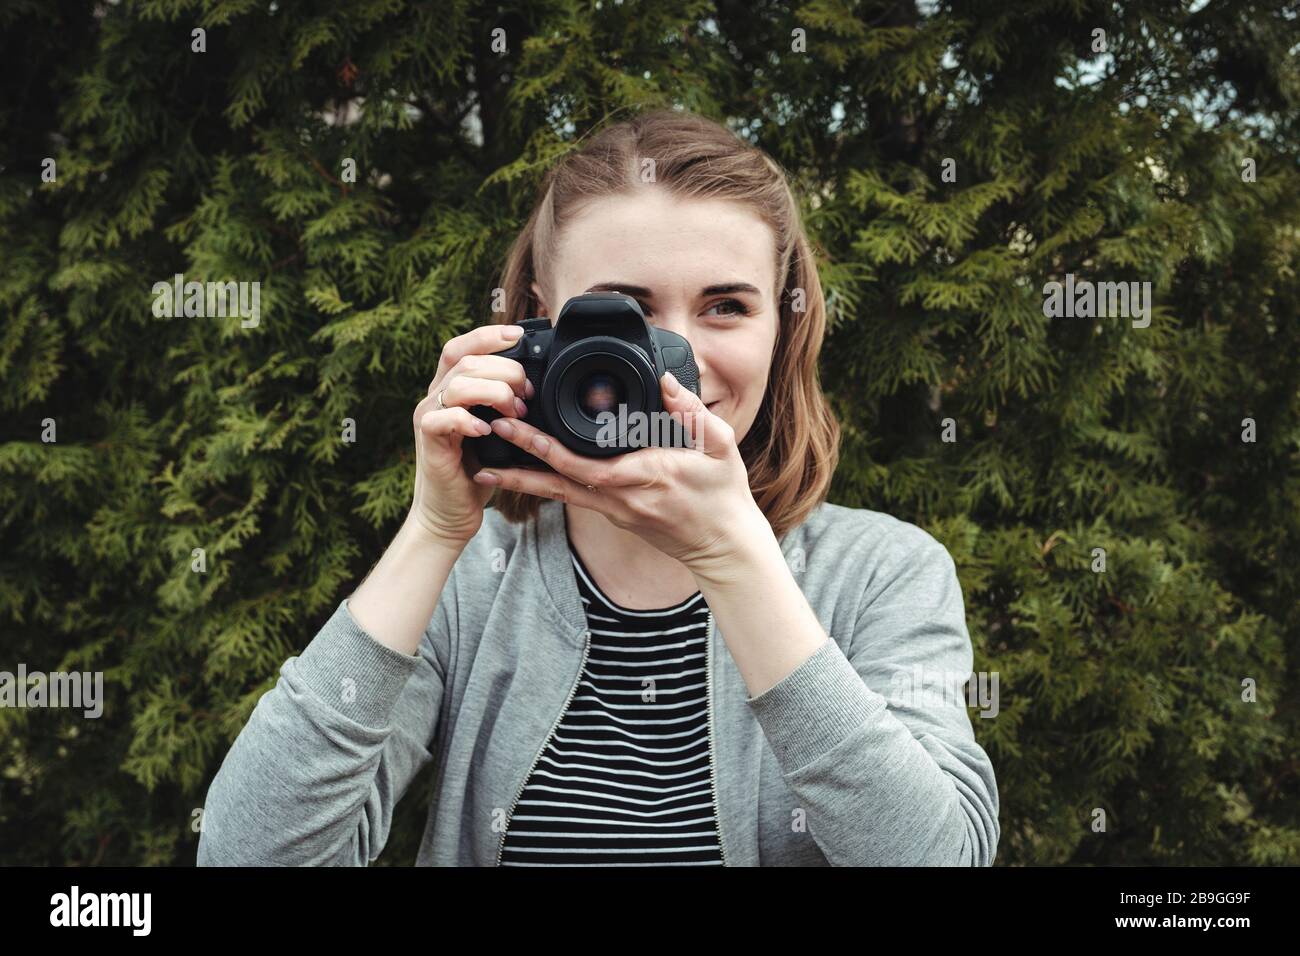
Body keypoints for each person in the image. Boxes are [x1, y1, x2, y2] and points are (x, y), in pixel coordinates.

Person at [197, 108, 1000, 867]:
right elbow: (251, 853)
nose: (676, 358)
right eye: (629, 312)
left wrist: (736, 562)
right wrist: (432, 534)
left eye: (726, 306)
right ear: (538, 328)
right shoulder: (475, 578)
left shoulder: (881, 574)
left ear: (783, 326)